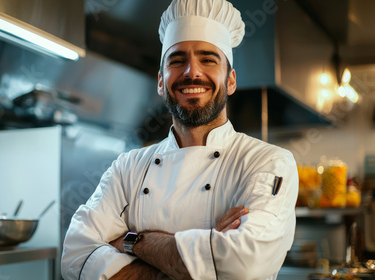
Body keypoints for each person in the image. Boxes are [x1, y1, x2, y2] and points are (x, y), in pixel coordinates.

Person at [61, 0, 299, 279]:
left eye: (208, 59)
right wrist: (196, 259)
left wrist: (133, 241)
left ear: (231, 80)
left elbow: (243, 263)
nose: (192, 72)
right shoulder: (128, 167)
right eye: (177, 60)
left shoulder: (268, 162)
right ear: (161, 82)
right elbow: (76, 255)